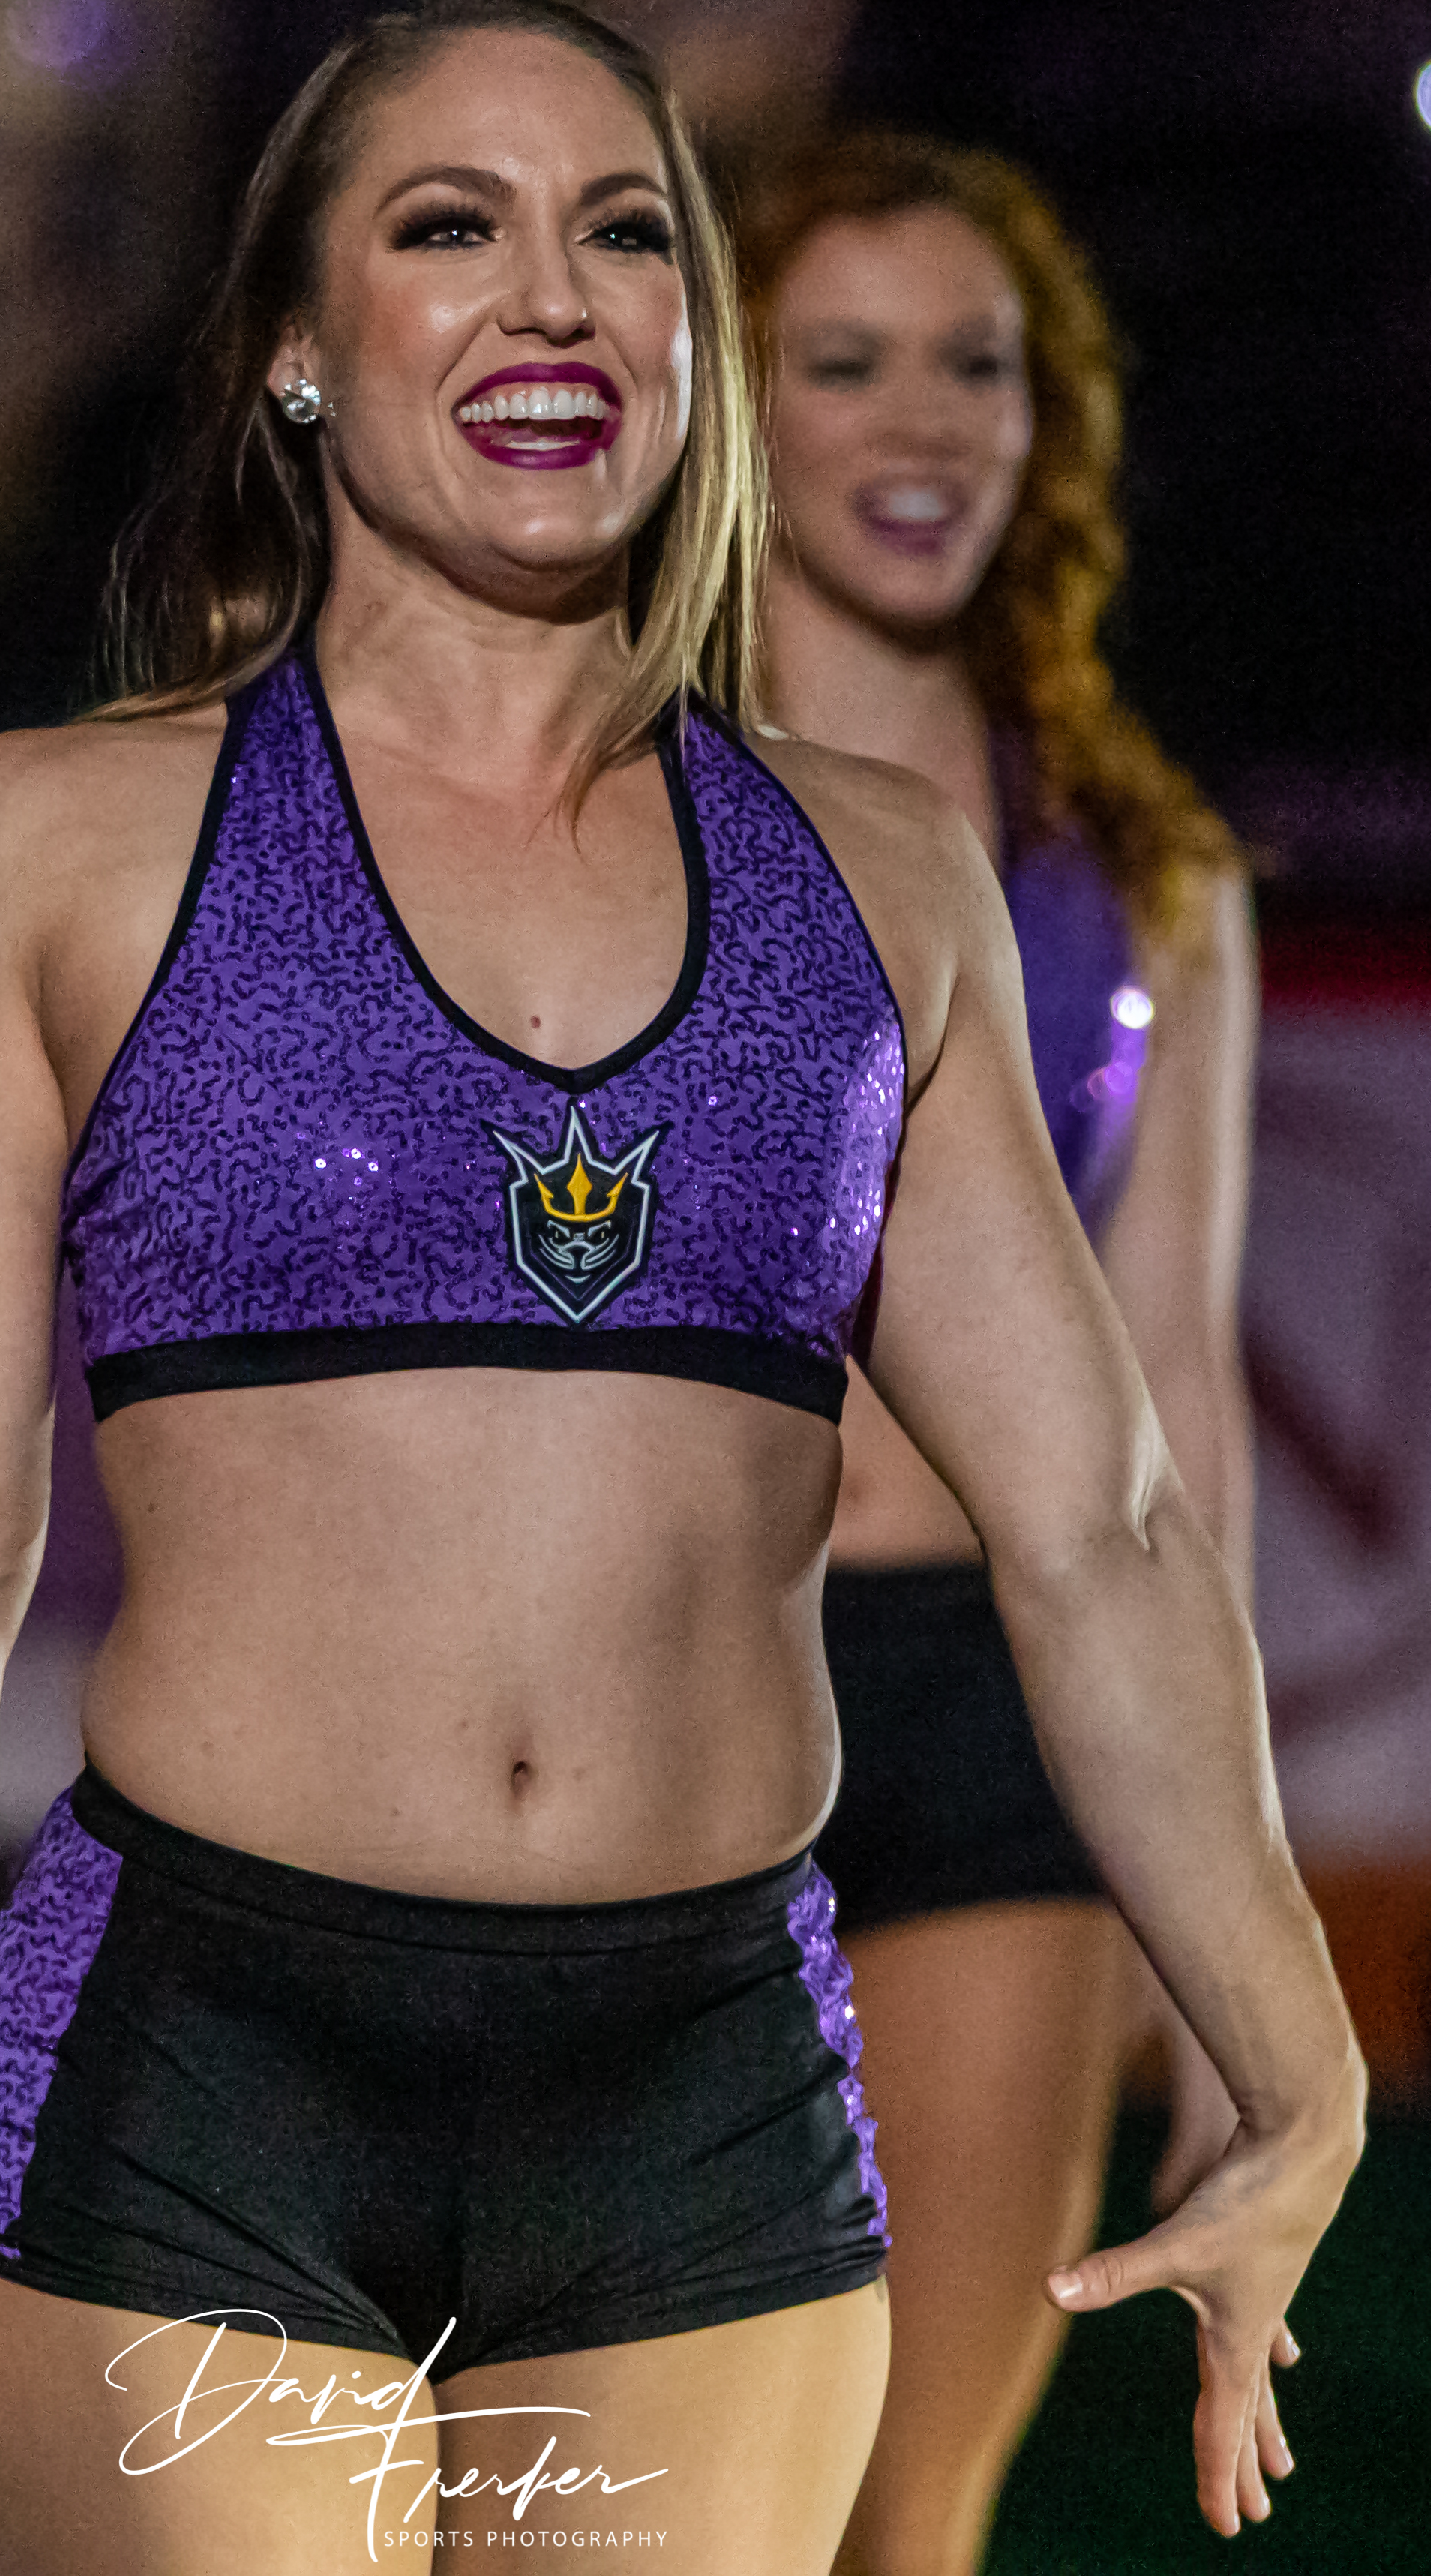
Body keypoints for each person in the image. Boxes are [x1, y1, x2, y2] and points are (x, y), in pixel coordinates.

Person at [0, 11, 1362, 2574]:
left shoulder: (881, 883)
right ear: (296, 344)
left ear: (691, 341)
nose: (552, 295)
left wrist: (1293, 2054)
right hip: (199, 2079)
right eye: (448, 226)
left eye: (623, 231)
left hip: (699, 2116)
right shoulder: (54, 845)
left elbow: (1107, 1524)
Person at [729, 130, 1267, 2574]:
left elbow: (1172, 1418)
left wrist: (1216, 1913)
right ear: (731, 402)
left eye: (975, 362)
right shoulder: (602, 800)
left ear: (1048, 422)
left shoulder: (1140, 869)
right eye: (843, 360)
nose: (919, 418)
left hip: (1003, 1714)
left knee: (903, 2514)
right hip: (666, 1693)